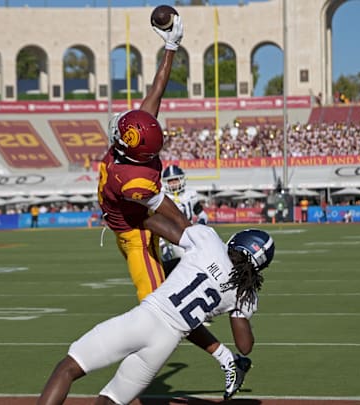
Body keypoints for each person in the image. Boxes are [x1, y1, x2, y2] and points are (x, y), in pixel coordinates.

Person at [96, 12, 247, 396]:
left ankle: (228, 356)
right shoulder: (137, 154)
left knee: (160, 310)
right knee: (184, 262)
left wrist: (194, 235)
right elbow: (156, 91)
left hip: (136, 232)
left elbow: (164, 212)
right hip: (138, 220)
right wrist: (170, 47)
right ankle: (220, 274)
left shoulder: (130, 178)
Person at [37, 223, 275, 404]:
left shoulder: (209, 242)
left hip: (143, 320)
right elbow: (244, 346)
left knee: (68, 368)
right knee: (111, 400)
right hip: (165, 344)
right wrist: (241, 307)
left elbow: (155, 222)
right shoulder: (245, 294)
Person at [159, 164, 208, 275]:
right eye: (170, 181)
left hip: (190, 236)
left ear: (181, 179)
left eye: (175, 180)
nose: (173, 184)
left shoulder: (190, 194)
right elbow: (160, 222)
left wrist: (200, 225)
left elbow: (203, 215)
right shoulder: (163, 198)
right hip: (173, 238)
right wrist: (162, 245)